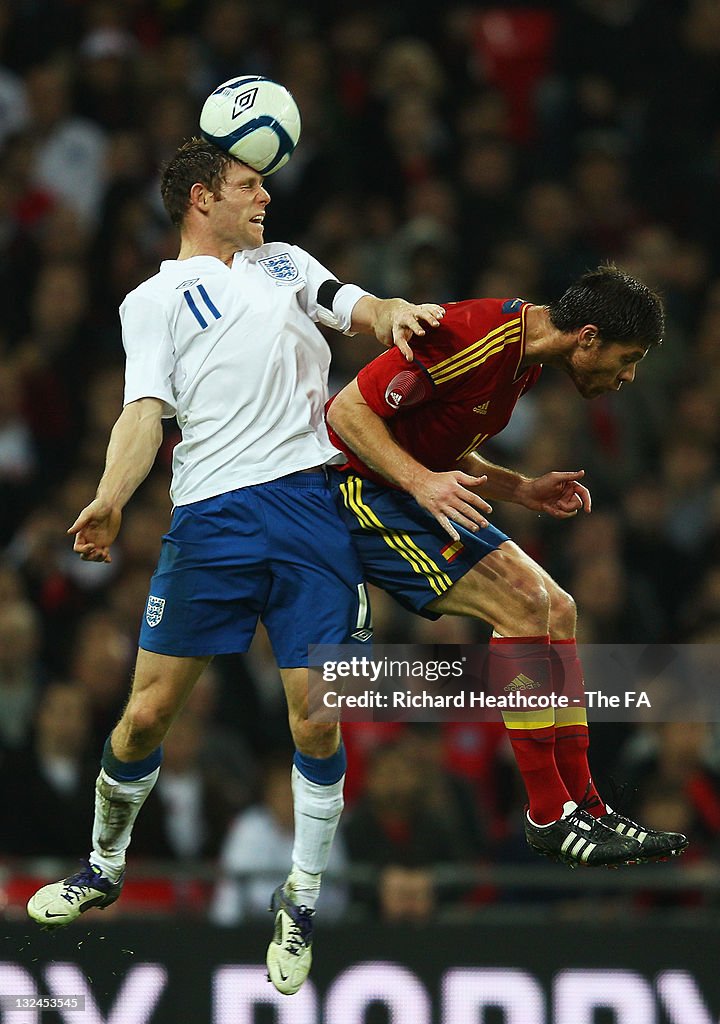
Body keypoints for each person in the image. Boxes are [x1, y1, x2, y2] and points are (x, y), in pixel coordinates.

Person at [26, 136, 445, 997]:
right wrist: (111, 499)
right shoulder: (155, 299)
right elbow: (146, 412)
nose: (266, 198)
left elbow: (354, 302)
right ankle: (104, 864)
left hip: (308, 513)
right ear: (199, 199)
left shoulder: (286, 262)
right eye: (249, 186)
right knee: (143, 720)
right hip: (210, 523)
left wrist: (395, 311)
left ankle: (301, 898)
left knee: (317, 721)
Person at [326, 265, 689, 868]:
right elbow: (347, 414)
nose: (629, 376)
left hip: (410, 488)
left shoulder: (522, 358)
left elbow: (439, 432)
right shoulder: (468, 337)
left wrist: (518, 488)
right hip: (356, 491)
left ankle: (589, 808)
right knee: (521, 609)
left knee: (560, 609)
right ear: (588, 338)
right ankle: (548, 815)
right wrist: (422, 484)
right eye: (628, 359)